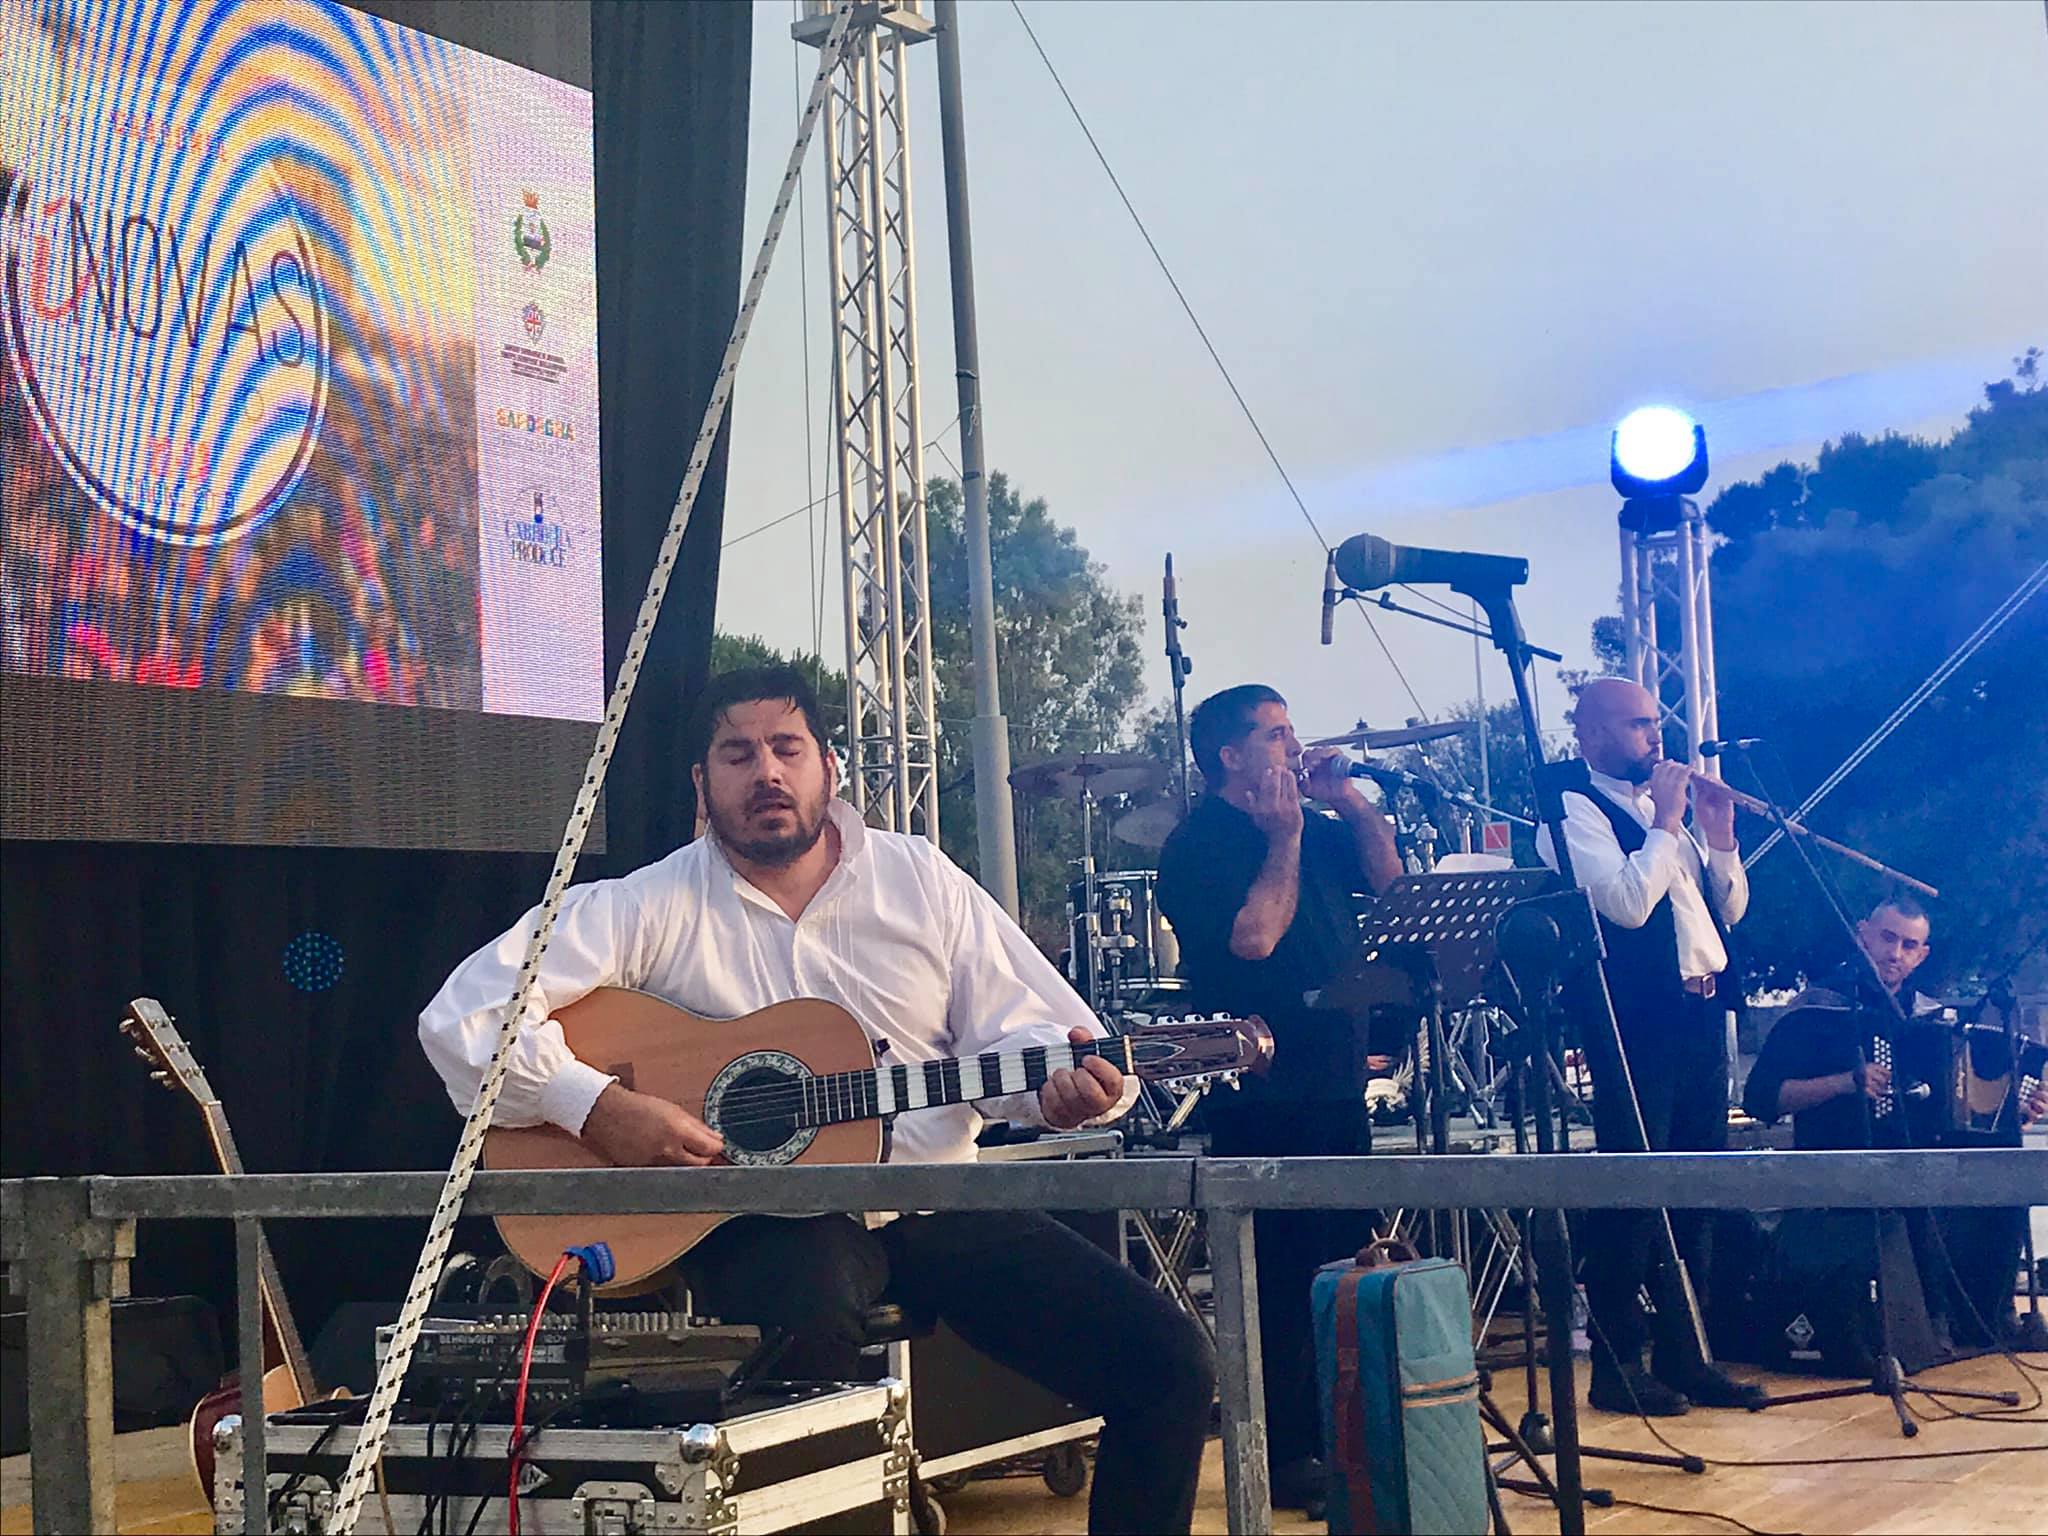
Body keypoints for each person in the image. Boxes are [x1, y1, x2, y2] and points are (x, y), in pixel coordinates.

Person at [420, 666, 1214, 1535]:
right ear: (701, 783)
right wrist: (597, 1107)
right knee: (806, 1365)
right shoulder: (649, 904)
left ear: (828, 767)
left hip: (935, 1198)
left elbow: (1036, 1036)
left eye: (786, 748)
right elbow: (462, 1014)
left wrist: (1063, 1095)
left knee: (1171, 1364)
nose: (766, 772)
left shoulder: (919, 879)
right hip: (769, 1218)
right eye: (737, 753)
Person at [1155, 684, 1401, 1514]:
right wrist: (1286, 835)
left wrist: (1348, 805)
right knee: (1279, 1280)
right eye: (1278, 734)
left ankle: (1350, 1443)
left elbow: (1394, 886)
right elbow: (1255, 938)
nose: (1295, 746)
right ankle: (1286, 1451)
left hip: (1337, 1078)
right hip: (1260, 1088)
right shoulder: (1199, 845)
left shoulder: (1314, 821)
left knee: (1345, 1264)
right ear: (1231, 755)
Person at [1535, 677, 1765, 1415]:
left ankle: (1686, 1353)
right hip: (1635, 1024)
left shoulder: (1663, 819)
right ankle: (1615, 1364)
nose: (1654, 738)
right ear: (1593, 737)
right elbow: (1630, 906)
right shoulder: (1570, 811)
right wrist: (1668, 820)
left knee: (1696, 1187)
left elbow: (1723, 910)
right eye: (1637, 726)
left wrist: (1719, 837)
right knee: (1634, 1195)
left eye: (1655, 724)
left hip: (1701, 1015)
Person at [1743, 894, 2043, 1355]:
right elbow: (1760, 1098)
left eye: (1909, 945)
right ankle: (1930, 1323)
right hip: (1840, 1163)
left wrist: (2017, 1106)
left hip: (1920, 1161)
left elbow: (1961, 1113)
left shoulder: (1930, 1018)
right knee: (1911, 1194)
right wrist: (1844, 1082)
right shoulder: (1817, 1009)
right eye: (1887, 938)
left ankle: (1985, 1319)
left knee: (1999, 1188)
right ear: (1863, 933)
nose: (1895, 953)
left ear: (1922, 955)